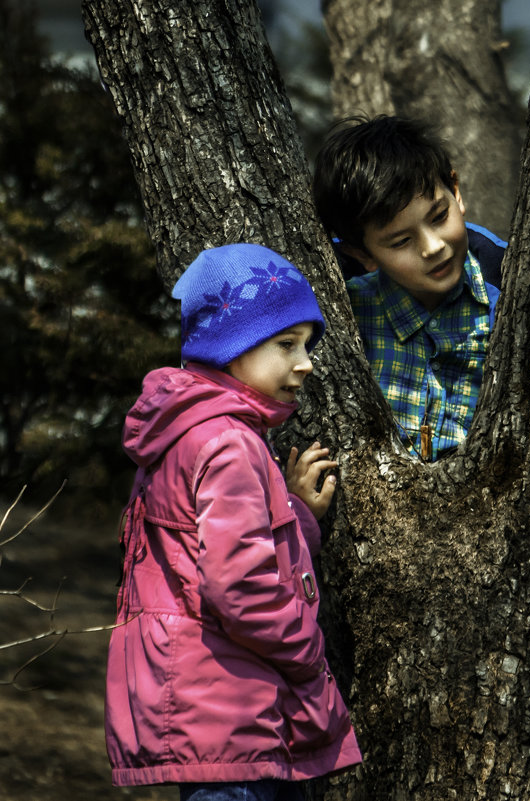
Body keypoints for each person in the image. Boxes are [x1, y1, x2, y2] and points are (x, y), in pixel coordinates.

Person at [105, 243, 362, 801]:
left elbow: (201, 549)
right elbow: (239, 587)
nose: (307, 362)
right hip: (232, 719)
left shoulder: (188, 430)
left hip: (203, 710)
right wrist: (309, 650)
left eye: (307, 344)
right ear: (232, 345)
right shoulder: (229, 442)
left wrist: (295, 514)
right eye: (286, 344)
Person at [312, 114, 506, 462]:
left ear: (456, 192)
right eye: (401, 241)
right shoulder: (349, 316)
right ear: (362, 254)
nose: (432, 247)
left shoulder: (508, 295)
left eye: (438, 217)